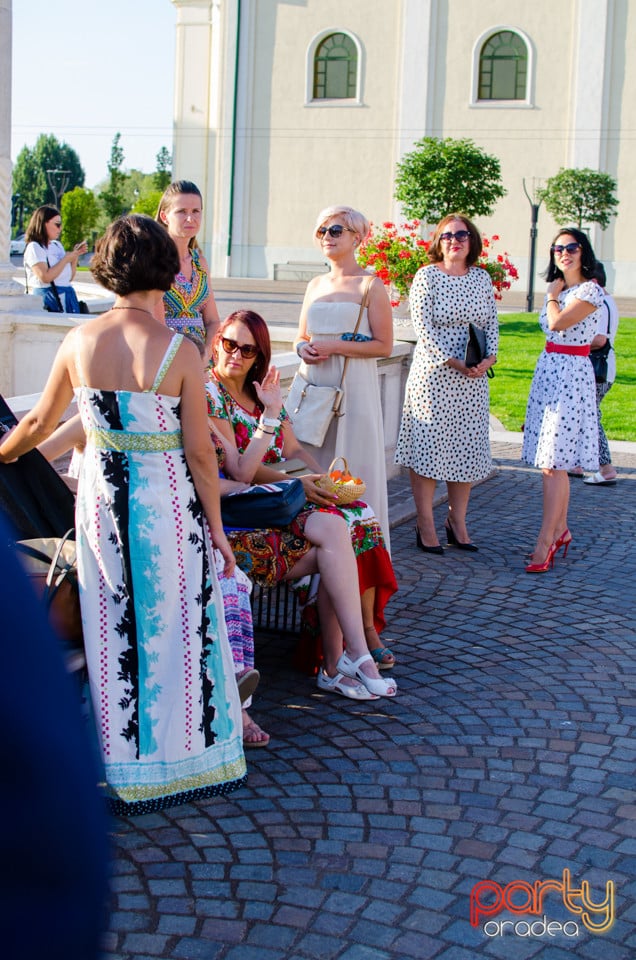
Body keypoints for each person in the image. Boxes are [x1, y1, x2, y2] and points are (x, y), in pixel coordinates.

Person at [0, 214, 246, 813]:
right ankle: (183, 759)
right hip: (168, 508)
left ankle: (115, 761)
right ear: (166, 268)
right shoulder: (180, 352)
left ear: (107, 268)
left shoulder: (79, 341)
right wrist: (216, 528)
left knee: (112, 627)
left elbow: (37, 425)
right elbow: (199, 455)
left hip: (104, 510)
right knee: (177, 629)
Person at [38, 411, 268, 750]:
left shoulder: (164, 409)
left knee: (226, 582)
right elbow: (37, 462)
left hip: (163, 528)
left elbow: (196, 470)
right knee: (183, 589)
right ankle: (229, 700)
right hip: (108, 536)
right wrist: (86, 486)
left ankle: (228, 691)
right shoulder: (95, 409)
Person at [208, 310, 398, 697]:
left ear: (258, 355)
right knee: (344, 529)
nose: (236, 355)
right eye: (230, 344)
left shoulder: (262, 391)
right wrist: (298, 483)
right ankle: (350, 649)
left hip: (280, 496)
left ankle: (351, 651)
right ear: (217, 343)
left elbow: (292, 448)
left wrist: (324, 479)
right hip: (246, 507)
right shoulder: (209, 395)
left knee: (353, 518)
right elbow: (243, 471)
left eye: (247, 349)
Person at [395, 214, 498, 553]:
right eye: (447, 235)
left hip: (473, 378)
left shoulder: (481, 278)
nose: (455, 240)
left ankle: (458, 521)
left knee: (466, 447)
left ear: (473, 240)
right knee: (428, 448)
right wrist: (452, 361)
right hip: (435, 375)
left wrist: (490, 358)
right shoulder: (427, 276)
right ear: (438, 242)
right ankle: (425, 523)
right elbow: (421, 326)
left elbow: (491, 324)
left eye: (462, 235)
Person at [293, 205, 393, 542]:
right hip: (315, 387)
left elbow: (384, 346)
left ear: (357, 237)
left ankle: (360, 559)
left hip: (355, 391)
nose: (327, 237)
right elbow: (301, 336)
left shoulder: (371, 285)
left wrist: (335, 346)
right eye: (322, 231)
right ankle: (315, 561)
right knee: (314, 469)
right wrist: (301, 349)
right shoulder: (315, 284)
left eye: (335, 230)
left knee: (353, 465)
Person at [521, 227, 604, 572]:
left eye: (571, 247)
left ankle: (546, 542)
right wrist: (556, 292)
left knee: (554, 464)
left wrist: (552, 295)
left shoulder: (588, 290)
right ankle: (560, 530)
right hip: (550, 371)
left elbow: (557, 324)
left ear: (584, 251)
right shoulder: (564, 290)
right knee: (552, 462)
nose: (564, 253)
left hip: (571, 375)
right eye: (557, 248)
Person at [155, 180, 220, 357]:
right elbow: (157, 324)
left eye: (195, 211)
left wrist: (206, 354)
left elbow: (213, 320)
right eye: (182, 211)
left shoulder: (200, 263)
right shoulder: (155, 260)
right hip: (166, 356)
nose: (190, 218)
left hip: (203, 360)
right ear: (165, 216)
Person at [583, 261, 619, 486]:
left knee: (591, 417)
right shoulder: (608, 302)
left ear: (594, 283)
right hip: (601, 370)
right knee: (584, 415)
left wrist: (571, 345)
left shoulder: (601, 304)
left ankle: (606, 468)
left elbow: (599, 339)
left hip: (597, 371)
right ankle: (575, 463)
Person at [23, 205, 88, 313]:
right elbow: (45, 277)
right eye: (57, 225)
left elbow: (68, 278)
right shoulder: (34, 247)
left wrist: (74, 257)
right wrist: (66, 259)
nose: (60, 228)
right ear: (43, 224)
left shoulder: (57, 245)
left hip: (67, 296)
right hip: (49, 298)